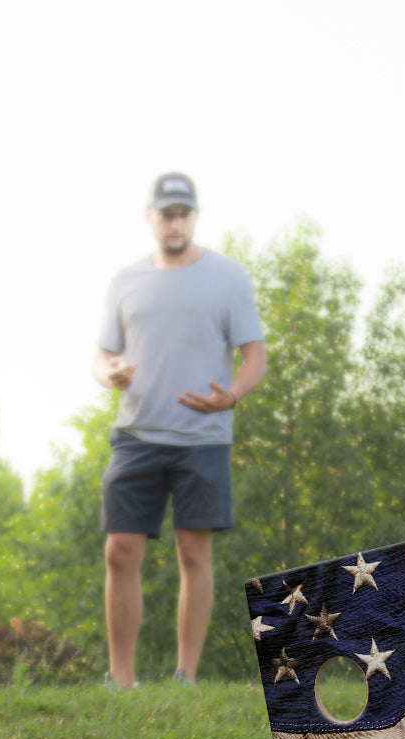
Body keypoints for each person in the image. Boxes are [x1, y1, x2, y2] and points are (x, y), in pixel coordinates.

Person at [94, 172, 266, 689]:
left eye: (183, 213)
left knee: (194, 552)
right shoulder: (124, 280)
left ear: (194, 216)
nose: (174, 222)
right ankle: (121, 679)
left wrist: (231, 395)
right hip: (136, 436)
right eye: (166, 213)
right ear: (151, 216)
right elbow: (103, 356)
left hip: (202, 438)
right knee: (119, 550)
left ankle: (185, 676)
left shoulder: (228, 277)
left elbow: (255, 356)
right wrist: (111, 373)